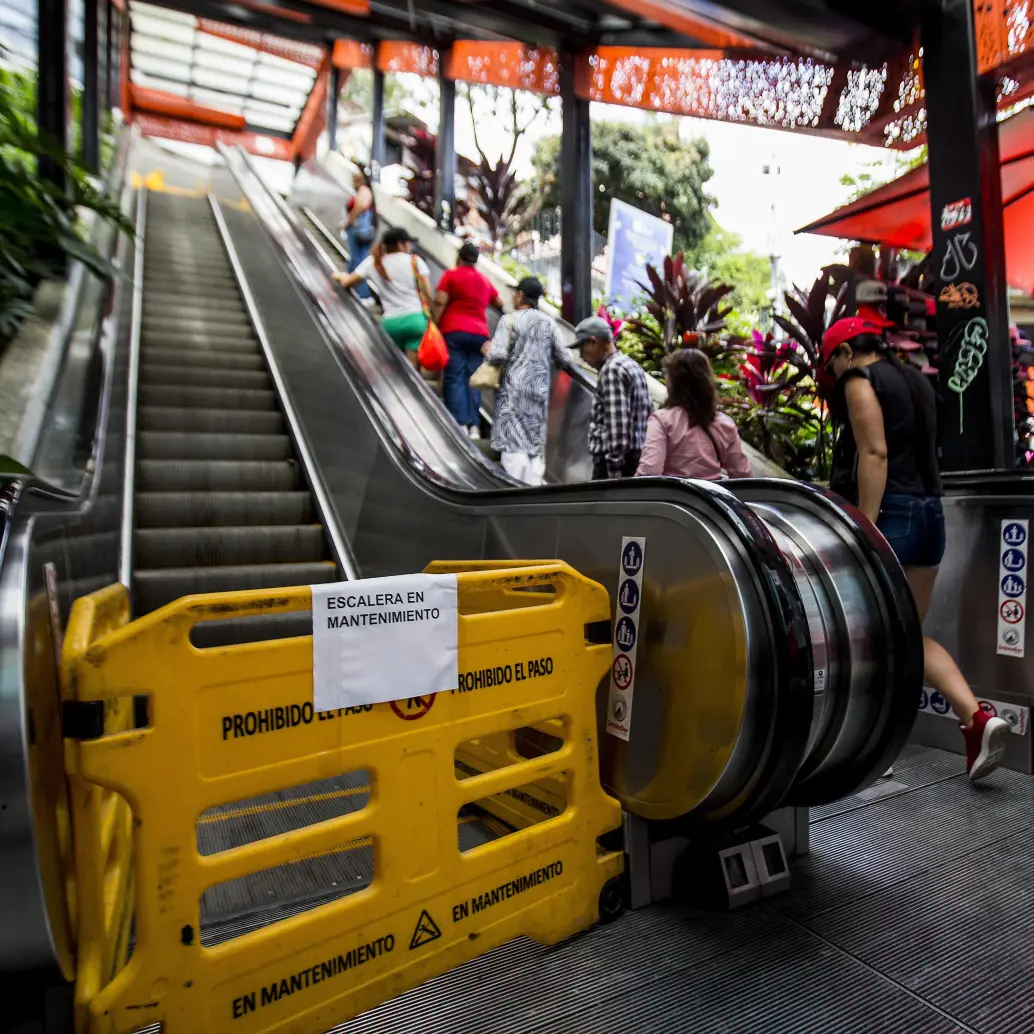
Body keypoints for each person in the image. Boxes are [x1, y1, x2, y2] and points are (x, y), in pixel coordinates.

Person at [821, 316, 1009, 781]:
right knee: (906, 635)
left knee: (867, 637)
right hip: (930, 515)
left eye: (832, 363)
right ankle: (978, 720)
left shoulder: (860, 379)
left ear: (845, 353)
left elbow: (874, 452)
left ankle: (873, 749)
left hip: (894, 516)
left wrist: (864, 525)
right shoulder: (916, 379)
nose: (836, 373)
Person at [483, 277, 572, 485]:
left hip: (513, 391)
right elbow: (564, 359)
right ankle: (532, 490)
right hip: (538, 392)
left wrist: (487, 350)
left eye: (516, 293)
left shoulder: (510, 320)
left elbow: (497, 355)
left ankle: (515, 491)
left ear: (521, 296)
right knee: (533, 446)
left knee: (513, 445)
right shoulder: (548, 323)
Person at [636, 349, 751, 480]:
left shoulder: (662, 420)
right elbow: (743, 476)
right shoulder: (725, 423)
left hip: (673, 498)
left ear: (675, 383)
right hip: (712, 498)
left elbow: (649, 473)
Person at [433, 241, 503, 438]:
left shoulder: (451, 275)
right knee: (473, 379)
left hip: (453, 331)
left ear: (459, 257)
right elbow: (499, 302)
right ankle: (474, 427)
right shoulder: (484, 280)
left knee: (454, 376)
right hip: (480, 336)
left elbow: (440, 301)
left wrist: (433, 325)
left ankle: (460, 423)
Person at [334, 228, 430, 369]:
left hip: (391, 322)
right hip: (415, 320)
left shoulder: (374, 261)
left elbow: (348, 282)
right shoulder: (415, 262)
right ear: (400, 244)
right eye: (408, 243)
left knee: (391, 368)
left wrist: (338, 276)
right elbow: (428, 294)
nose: (410, 247)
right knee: (412, 370)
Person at [577, 316, 652, 480]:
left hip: (615, 465)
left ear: (593, 342)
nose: (581, 356)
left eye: (581, 348)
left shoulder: (612, 370)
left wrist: (613, 471)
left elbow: (617, 427)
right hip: (635, 458)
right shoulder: (629, 364)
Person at [339, 168, 376, 300]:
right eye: (355, 178)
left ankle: (364, 294)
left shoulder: (364, 191)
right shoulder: (367, 191)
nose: (356, 181)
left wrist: (346, 222)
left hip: (357, 230)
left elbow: (359, 207)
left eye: (359, 178)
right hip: (362, 231)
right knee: (355, 260)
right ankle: (348, 285)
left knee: (358, 261)